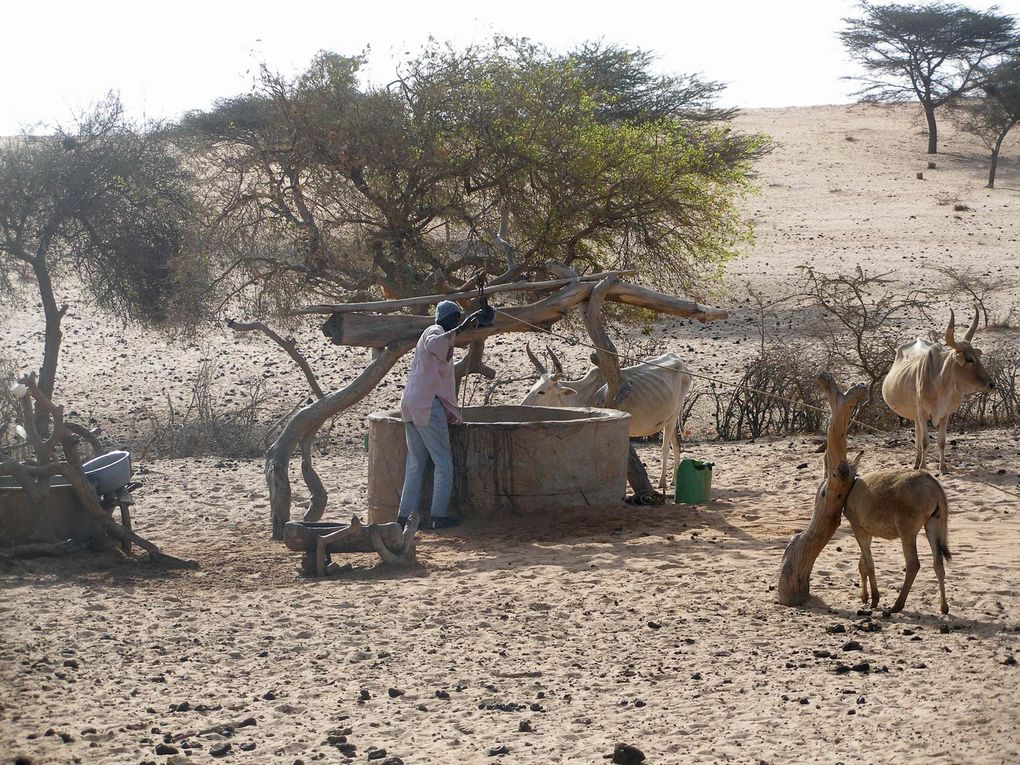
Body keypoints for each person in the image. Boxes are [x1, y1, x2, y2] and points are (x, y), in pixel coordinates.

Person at [397, 300, 481, 530]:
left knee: (415, 464)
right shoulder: (435, 332)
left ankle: (404, 517)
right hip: (427, 404)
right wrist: (462, 328)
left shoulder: (429, 333)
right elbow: (438, 344)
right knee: (443, 463)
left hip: (411, 403)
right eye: (456, 319)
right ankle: (437, 516)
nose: (456, 323)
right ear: (451, 318)